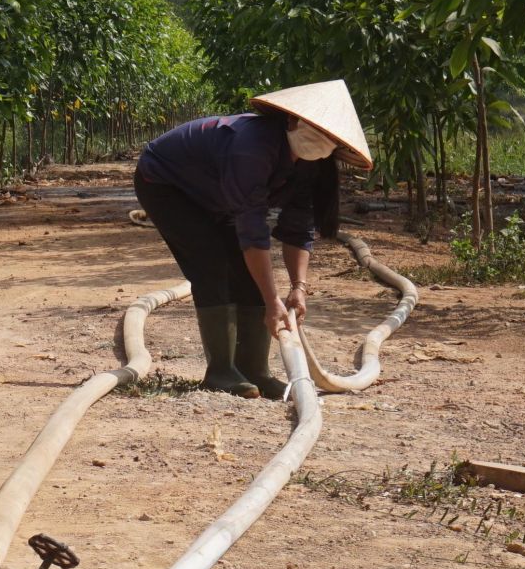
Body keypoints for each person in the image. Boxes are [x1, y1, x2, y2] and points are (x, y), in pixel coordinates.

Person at [133, 79, 373, 399]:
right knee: (212, 263)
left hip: (215, 196)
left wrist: (298, 288)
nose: (319, 141)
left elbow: (298, 228)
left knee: (246, 271)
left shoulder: (311, 167)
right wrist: (272, 301)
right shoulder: (252, 146)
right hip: (166, 182)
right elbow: (252, 228)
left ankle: (254, 370)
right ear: (292, 120)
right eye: (314, 130)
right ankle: (220, 370)